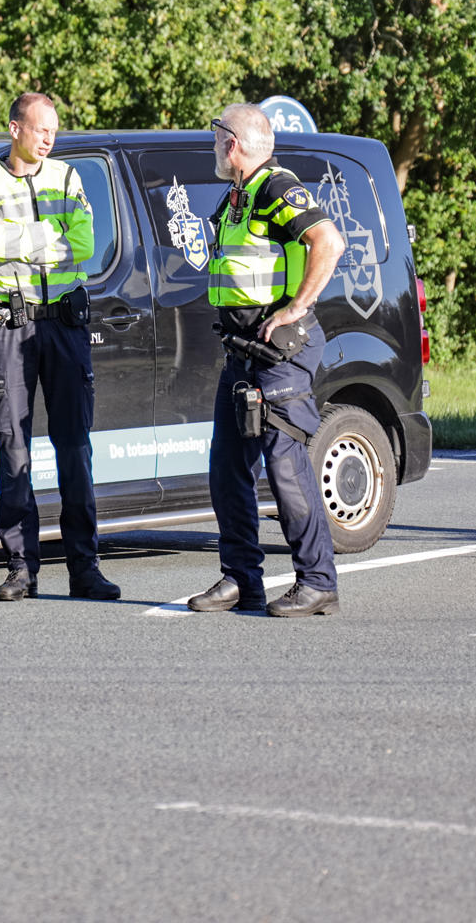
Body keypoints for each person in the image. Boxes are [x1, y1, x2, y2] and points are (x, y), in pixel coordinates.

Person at [189, 103, 347, 618]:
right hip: (243, 355)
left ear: (232, 144)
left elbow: (329, 241)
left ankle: (318, 582)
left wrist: (296, 308)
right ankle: (241, 580)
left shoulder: (279, 188)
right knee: (226, 470)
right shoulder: (239, 195)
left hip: (281, 355)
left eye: (217, 140)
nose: (213, 149)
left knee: (286, 467)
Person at [0, 92, 120, 602]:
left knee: (75, 449)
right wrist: (49, 236)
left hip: (65, 327)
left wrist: (22, 238)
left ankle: (85, 569)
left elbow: (86, 244)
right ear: (15, 129)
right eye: (40, 128)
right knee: (13, 449)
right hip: (10, 325)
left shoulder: (69, 179)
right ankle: (20, 569)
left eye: (54, 130)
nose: (50, 138)